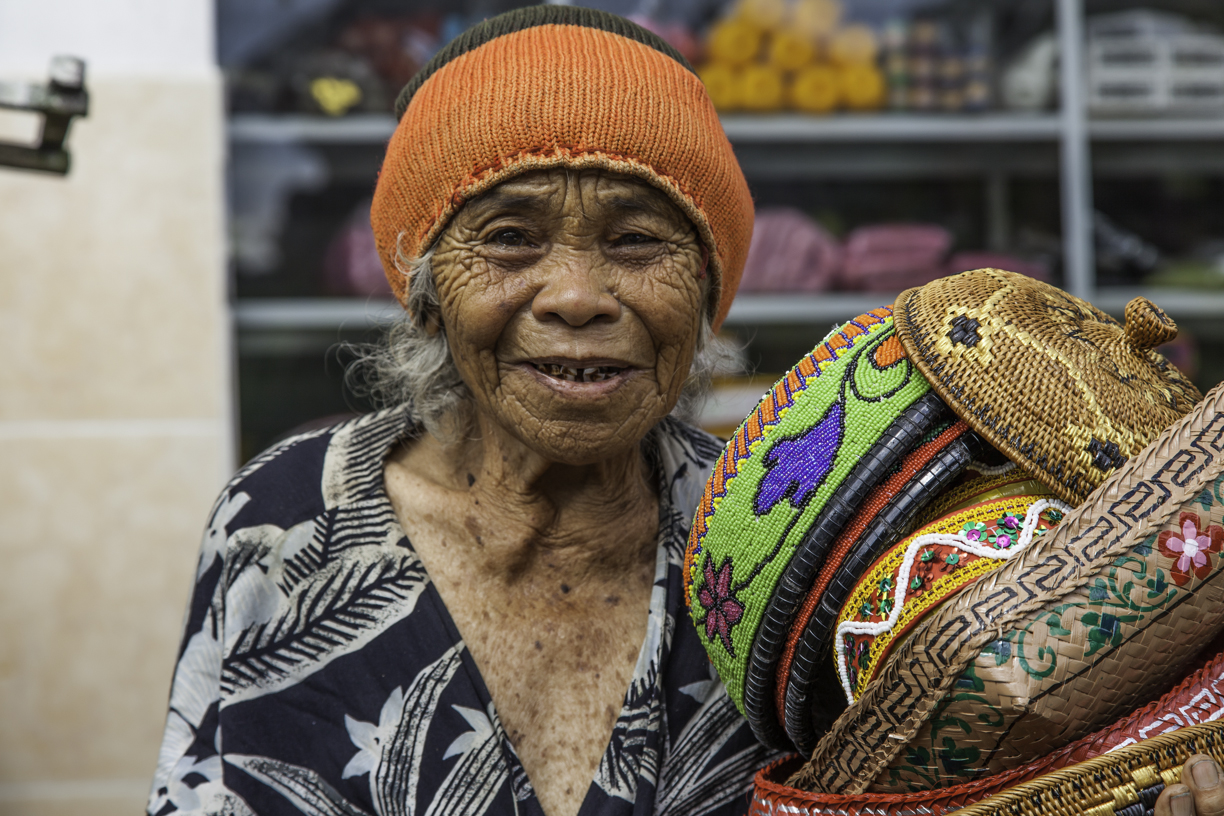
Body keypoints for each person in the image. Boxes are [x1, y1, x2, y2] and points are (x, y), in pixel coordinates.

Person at [148, 8, 776, 816]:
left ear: (706, 295)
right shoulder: (281, 527)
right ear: (426, 294)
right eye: (511, 236)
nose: (577, 297)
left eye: (637, 240)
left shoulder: (777, 535)